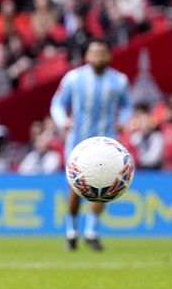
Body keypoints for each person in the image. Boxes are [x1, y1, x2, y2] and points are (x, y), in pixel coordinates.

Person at [49, 39, 131, 251]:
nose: (98, 56)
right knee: (76, 188)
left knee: (106, 186)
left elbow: (127, 105)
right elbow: (57, 103)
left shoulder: (119, 81)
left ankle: (91, 231)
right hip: (78, 143)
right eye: (94, 52)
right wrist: (62, 121)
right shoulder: (74, 78)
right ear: (86, 56)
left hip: (107, 144)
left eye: (102, 52)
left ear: (109, 56)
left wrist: (124, 120)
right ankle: (71, 231)